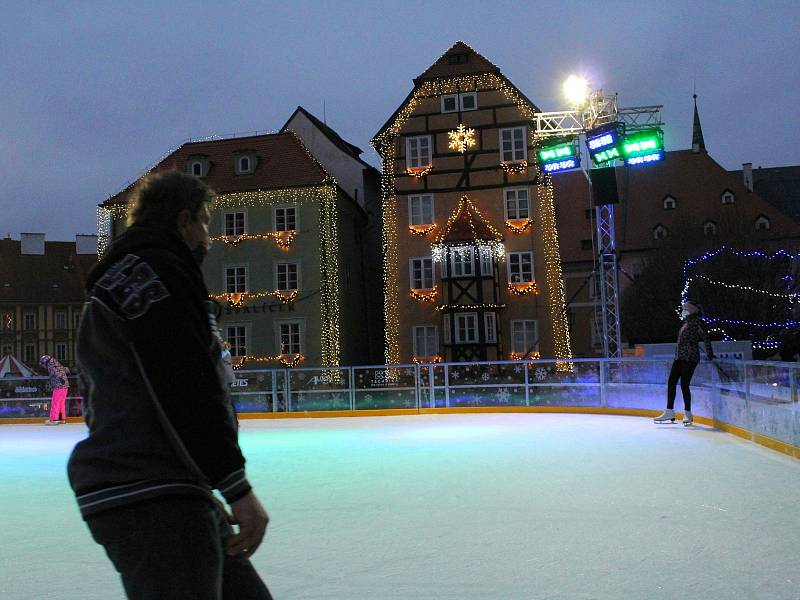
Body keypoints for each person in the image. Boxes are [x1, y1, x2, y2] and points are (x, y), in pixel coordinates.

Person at [67, 171, 272, 599]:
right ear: (183, 221)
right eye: (205, 224)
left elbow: (103, 400)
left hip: (161, 488)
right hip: (150, 494)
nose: (209, 241)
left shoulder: (120, 282)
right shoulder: (160, 274)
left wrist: (196, 483)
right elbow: (186, 383)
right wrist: (234, 486)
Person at [655, 300, 714, 426]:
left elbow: (706, 338)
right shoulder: (685, 323)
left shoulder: (698, 322)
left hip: (690, 357)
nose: (683, 311)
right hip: (679, 357)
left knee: (684, 384)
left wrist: (709, 352)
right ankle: (669, 410)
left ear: (691, 310)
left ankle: (688, 413)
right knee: (671, 381)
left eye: (685, 309)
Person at [41, 354, 70, 425]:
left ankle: (54, 419)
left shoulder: (51, 366)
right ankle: (61, 419)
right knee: (61, 403)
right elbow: (66, 370)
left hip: (59, 386)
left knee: (55, 402)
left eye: (43, 364)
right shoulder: (56, 363)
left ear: (45, 362)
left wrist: (60, 379)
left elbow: (56, 373)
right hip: (65, 386)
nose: (43, 366)